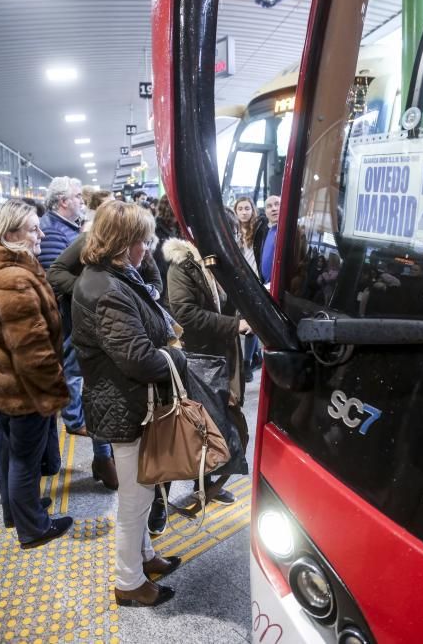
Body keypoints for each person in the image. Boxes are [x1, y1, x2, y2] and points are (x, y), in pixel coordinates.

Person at [71, 200, 182, 607]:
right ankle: (129, 581)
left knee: (145, 489)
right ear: (124, 243)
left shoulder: (114, 274)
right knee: (136, 499)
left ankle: (145, 556)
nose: (148, 247)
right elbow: (136, 358)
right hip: (125, 404)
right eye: (142, 239)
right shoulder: (104, 287)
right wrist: (178, 357)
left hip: (130, 402)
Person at [147, 230, 250, 534]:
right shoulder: (183, 265)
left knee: (213, 427)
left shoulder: (218, 263)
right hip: (194, 358)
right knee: (182, 430)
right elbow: (186, 313)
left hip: (218, 356)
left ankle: (204, 483)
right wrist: (235, 325)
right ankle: (158, 503)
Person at [0, 200, 73, 548]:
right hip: (26, 390)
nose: (41, 233)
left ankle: (16, 511)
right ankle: (34, 528)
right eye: (32, 229)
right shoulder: (15, 280)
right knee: (26, 459)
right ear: (11, 234)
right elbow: (32, 350)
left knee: (10, 453)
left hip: (4, 385)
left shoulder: (6, 268)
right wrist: (52, 392)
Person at [46, 188, 118, 489]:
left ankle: (107, 456)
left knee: (109, 394)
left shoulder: (127, 245)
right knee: (96, 391)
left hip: (117, 330)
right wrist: (87, 288)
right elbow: (55, 272)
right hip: (87, 329)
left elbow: (151, 277)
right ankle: (104, 456)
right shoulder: (87, 241)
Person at [234, 196, 263, 382]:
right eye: (240, 209)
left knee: (252, 323)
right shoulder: (232, 231)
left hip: (257, 283)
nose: (244, 212)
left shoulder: (260, 231)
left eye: (247, 208)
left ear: (252, 210)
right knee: (242, 323)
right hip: (238, 283)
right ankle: (255, 354)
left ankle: (247, 362)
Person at [153, 194, 181, 306]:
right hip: (163, 279)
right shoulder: (156, 228)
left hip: (176, 279)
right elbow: (159, 259)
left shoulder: (179, 227)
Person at [259, 194, 281, 285]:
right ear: (265, 212)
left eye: (277, 204)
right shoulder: (265, 231)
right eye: (269, 206)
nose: (274, 209)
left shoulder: (288, 231)